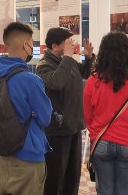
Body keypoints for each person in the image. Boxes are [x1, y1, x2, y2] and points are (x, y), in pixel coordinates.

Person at [83, 31, 128, 195]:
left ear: (103, 53)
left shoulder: (92, 82)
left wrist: (97, 132)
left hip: (101, 141)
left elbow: (88, 117)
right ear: (127, 53)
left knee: (104, 190)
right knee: (126, 190)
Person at [0, 22, 52, 195]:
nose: (33, 46)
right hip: (28, 155)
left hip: (3, 154)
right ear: (25, 44)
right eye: (32, 42)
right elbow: (45, 117)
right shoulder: (30, 80)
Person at [36, 27, 93, 195]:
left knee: (72, 174)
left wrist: (88, 56)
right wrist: (68, 57)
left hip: (74, 126)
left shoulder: (67, 61)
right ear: (54, 46)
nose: (72, 45)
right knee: (56, 176)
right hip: (57, 130)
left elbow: (84, 73)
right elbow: (56, 82)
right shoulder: (44, 65)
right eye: (67, 42)